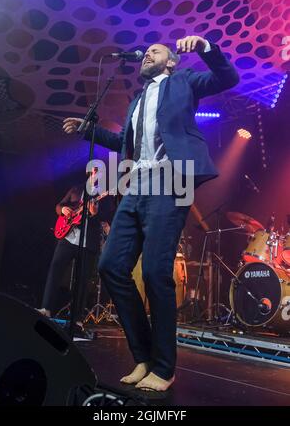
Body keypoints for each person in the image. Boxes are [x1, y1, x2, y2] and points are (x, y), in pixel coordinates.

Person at [63, 35, 239, 391]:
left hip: (173, 178)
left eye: (155, 52)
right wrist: (89, 131)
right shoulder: (137, 101)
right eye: (145, 53)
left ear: (171, 62)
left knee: (158, 272)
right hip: (135, 183)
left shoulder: (184, 81)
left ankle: (163, 366)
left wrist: (206, 49)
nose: (147, 55)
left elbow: (227, 78)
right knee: (110, 265)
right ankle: (143, 356)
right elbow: (124, 143)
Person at [38, 168, 113, 331]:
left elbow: (106, 217)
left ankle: (77, 318)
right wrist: (62, 210)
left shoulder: (103, 196)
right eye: (93, 172)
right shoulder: (76, 189)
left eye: (98, 172)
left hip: (88, 243)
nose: (95, 175)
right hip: (68, 238)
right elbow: (59, 206)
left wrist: (94, 214)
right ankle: (46, 308)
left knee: (82, 280)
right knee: (55, 269)